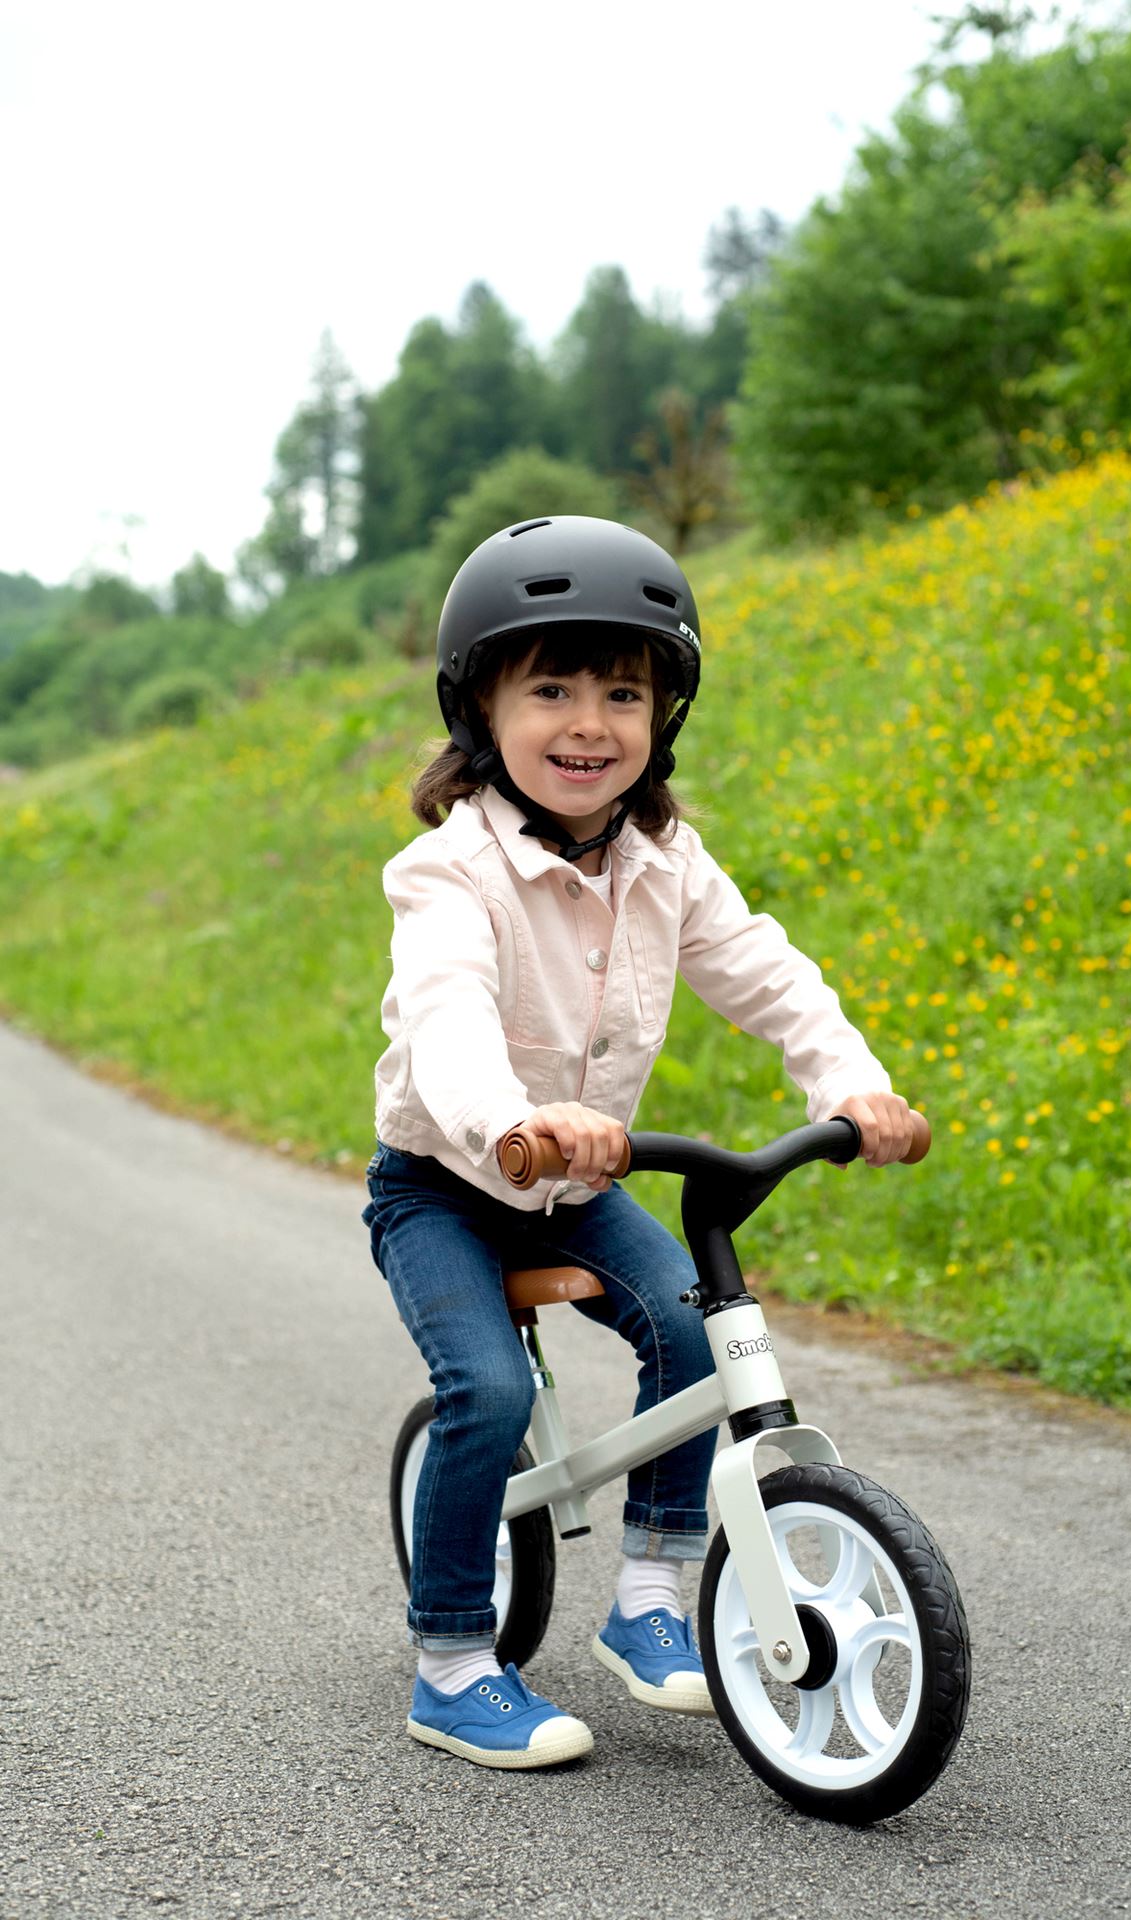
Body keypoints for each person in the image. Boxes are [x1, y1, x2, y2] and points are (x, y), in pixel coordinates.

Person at [361, 515, 912, 1770]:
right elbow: (445, 1019)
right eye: (549, 687)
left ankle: (651, 1601)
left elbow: (766, 974)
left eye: (624, 691)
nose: (588, 722)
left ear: (664, 715)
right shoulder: (447, 874)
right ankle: (452, 1659)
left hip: (578, 1190)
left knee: (692, 1325)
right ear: (478, 708)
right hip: (445, 1189)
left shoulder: (668, 860)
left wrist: (855, 1084)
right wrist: (515, 1123)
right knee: (489, 1393)